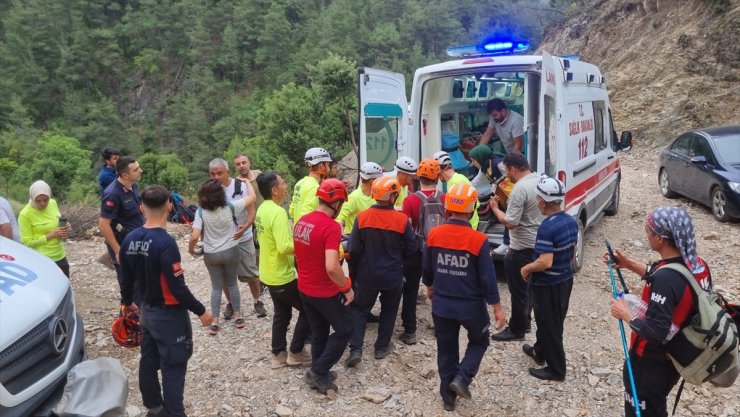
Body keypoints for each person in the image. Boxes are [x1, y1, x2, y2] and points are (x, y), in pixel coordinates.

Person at [119, 184, 212, 417]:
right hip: (169, 316)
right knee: (174, 365)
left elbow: (124, 276)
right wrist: (202, 312)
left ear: (141, 208)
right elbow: (177, 288)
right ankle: (174, 412)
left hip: (145, 312)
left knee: (148, 360)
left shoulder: (130, 239)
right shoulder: (165, 243)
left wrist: (127, 301)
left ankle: (154, 407)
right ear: (170, 206)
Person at [608, 207, 704, 417]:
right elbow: (668, 279)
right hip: (675, 358)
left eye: (649, 230)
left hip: (651, 361)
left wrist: (625, 313)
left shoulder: (666, 279)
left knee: (644, 410)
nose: (646, 233)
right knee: (655, 406)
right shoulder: (695, 264)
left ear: (660, 239)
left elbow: (655, 332)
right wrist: (629, 264)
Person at [422, 183, 506, 411]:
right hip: (471, 308)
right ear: (472, 210)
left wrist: (430, 286)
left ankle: (448, 398)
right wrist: (497, 308)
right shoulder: (478, 240)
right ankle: (462, 377)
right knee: (479, 341)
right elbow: (488, 280)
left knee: (446, 349)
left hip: (442, 306)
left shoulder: (434, 234)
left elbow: (427, 269)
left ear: (447, 208)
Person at [345, 176, 416, 367]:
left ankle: (356, 349)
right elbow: (412, 248)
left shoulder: (362, 217)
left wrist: (357, 270)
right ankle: (382, 347)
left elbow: (352, 249)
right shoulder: (401, 220)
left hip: (366, 273)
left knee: (360, 310)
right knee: (389, 309)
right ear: (392, 196)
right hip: (392, 274)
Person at [294, 179, 355, 395]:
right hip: (324, 291)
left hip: (305, 287)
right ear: (337, 203)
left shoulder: (302, 221)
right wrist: (346, 286)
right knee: (345, 329)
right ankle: (318, 372)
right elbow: (331, 266)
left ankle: (319, 370)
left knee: (319, 330)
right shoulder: (331, 227)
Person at [519, 177, 577, 381]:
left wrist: (526, 268)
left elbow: (545, 262)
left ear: (543, 202)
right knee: (553, 319)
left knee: (549, 324)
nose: (536, 201)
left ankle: (556, 369)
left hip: (548, 284)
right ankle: (539, 351)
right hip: (565, 280)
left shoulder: (547, 227)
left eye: (537, 198)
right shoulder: (570, 220)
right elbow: (573, 251)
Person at [254, 172, 311, 368]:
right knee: (308, 309)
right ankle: (295, 352)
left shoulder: (262, 208)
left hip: (268, 272)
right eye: (283, 183)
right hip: (281, 275)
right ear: (274, 189)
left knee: (282, 313)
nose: (286, 186)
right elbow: (284, 246)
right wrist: (306, 243)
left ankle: (278, 354)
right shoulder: (278, 213)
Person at [490, 151, 543, 342]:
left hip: (520, 247)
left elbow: (511, 222)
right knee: (528, 288)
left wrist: (496, 209)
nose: (506, 176)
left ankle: (517, 329)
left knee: (518, 290)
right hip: (538, 244)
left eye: (507, 171)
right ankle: (526, 321)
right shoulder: (539, 179)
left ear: (513, 169)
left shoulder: (519, 189)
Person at [188, 178, 253, 334]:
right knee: (232, 284)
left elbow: (195, 235)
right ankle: (238, 317)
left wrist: (191, 250)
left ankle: (215, 322)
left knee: (216, 287)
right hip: (231, 251)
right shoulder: (230, 207)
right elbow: (252, 198)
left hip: (211, 254)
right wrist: (246, 182)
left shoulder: (201, 211)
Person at [208, 158, 266, 318]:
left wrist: (246, 227)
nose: (216, 177)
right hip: (223, 241)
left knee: (251, 273)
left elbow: (251, 210)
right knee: (226, 276)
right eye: (212, 174)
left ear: (227, 172)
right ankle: (231, 304)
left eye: (219, 173)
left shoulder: (239, 186)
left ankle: (257, 301)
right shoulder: (210, 190)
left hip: (244, 237)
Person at [399, 159, 443, 345]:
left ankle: (410, 332)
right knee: (439, 288)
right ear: (438, 177)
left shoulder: (410, 200)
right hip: (439, 250)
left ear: (418, 177)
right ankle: (441, 327)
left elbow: (406, 228)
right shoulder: (444, 198)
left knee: (410, 290)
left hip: (416, 251)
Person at [99, 156, 145, 287]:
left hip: (138, 241)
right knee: (129, 285)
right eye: (136, 169)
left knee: (142, 282)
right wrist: (118, 251)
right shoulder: (112, 193)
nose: (140, 170)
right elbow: (103, 225)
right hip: (124, 245)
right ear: (125, 175)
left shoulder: (133, 186)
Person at [18, 181, 72, 277]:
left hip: (60, 254)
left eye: (45, 200)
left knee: (65, 287)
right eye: (38, 201)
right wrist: (51, 235)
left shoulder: (53, 203)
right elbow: (27, 242)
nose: (42, 203)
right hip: (41, 259)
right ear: (32, 198)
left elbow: (56, 221)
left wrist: (66, 226)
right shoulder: (25, 214)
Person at [435, 150, 479, 230]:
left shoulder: (457, 182)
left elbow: (473, 205)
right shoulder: (453, 180)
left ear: (439, 169)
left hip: (468, 227)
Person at [336, 162, 383, 234]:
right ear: (372, 181)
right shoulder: (354, 198)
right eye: (378, 179)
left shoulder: (376, 196)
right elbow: (338, 219)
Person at [289, 147, 332, 222]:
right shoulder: (314, 187)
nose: (329, 168)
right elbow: (305, 217)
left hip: (297, 231)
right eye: (327, 164)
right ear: (321, 166)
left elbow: (291, 212)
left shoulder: (300, 183)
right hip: (306, 232)